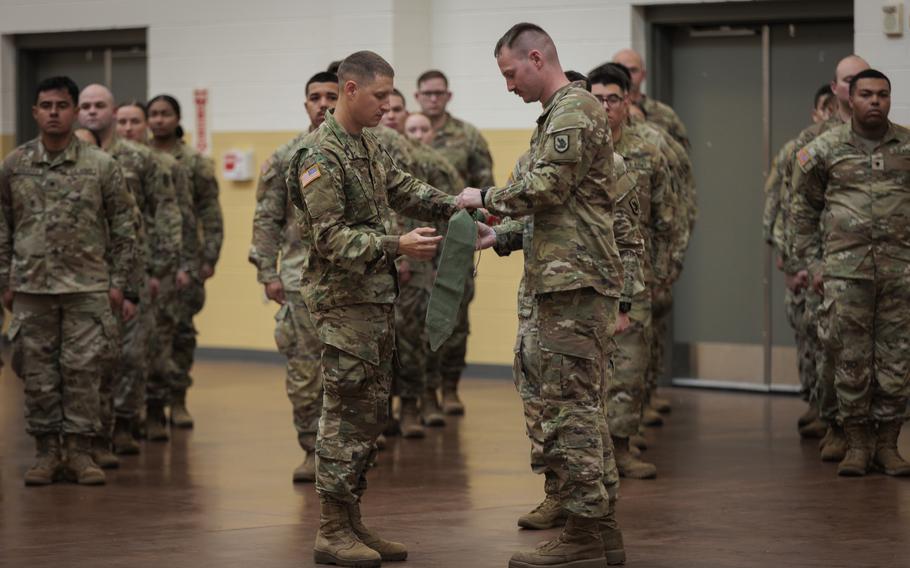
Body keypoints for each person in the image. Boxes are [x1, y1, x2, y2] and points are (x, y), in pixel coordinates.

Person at [287, 50, 486, 567]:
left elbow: (403, 187)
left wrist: (457, 204)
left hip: (375, 302)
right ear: (350, 90)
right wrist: (395, 245)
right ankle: (331, 528)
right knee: (344, 415)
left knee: (371, 415)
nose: (387, 105)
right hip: (343, 304)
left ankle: (352, 520)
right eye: (379, 96)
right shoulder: (319, 155)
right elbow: (329, 238)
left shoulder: (368, 144)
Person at [458, 23, 632, 568]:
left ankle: (584, 532)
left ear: (537, 57)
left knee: (571, 411)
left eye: (511, 73)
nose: (509, 86)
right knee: (575, 407)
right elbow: (561, 212)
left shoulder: (574, 111)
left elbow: (546, 189)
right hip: (562, 280)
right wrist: (501, 235)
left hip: (576, 287)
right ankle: (599, 528)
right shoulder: (557, 115)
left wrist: (483, 196)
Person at [0, 76, 137, 486]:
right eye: (46, 105)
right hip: (31, 288)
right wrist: (4, 279)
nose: (54, 113)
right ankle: (46, 453)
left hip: (87, 288)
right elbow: (2, 227)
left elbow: (125, 227)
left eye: (62, 105)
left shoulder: (101, 166)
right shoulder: (15, 164)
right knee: (38, 374)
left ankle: (79, 452)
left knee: (84, 372)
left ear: (75, 111)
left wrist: (119, 283)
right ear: (35, 112)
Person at [790, 69, 910, 478]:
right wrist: (814, 263)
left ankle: (888, 446)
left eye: (882, 95)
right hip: (845, 274)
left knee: (897, 361)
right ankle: (856, 443)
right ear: (850, 99)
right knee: (851, 361)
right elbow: (803, 210)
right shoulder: (824, 149)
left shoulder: (908, 146)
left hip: (899, 274)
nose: (875, 101)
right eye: (866, 95)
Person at [79, 84, 183, 461]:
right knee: (91, 356)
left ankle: (124, 423)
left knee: (131, 354)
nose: (92, 112)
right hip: (86, 273)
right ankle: (94, 430)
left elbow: (166, 215)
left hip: (136, 269)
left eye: (100, 105)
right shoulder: (76, 158)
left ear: (114, 110)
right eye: (86, 106)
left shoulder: (142, 160)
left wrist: (160, 269)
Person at [249, 71, 337, 482]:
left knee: (353, 373)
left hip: (352, 281)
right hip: (301, 280)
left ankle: (347, 453)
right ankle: (310, 450)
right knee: (305, 372)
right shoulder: (287, 156)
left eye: (331, 96)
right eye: (315, 97)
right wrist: (267, 271)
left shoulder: (369, 152)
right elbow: (266, 218)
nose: (323, 104)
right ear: (305, 105)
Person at [781, 55, 871, 453]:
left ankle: (871, 435)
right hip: (828, 263)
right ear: (836, 88)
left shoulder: (893, 140)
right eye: (848, 81)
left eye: (861, 81)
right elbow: (794, 205)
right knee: (828, 346)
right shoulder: (812, 142)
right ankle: (832, 420)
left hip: (877, 267)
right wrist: (799, 261)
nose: (855, 89)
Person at [590, 65, 675, 479]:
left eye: (612, 99)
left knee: (628, 368)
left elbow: (666, 218)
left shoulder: (650, 148)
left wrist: (662, 273)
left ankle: (622, 448)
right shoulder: (577, 146)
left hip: (633, 275)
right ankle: (594, 456)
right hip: (584, 273)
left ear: (628, 101)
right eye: (597, 99)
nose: (605, 107)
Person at [115, 100, 199, 444]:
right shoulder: (109, 163)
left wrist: (185, 263)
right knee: (125, 348)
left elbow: (184, 217)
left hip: (158, 264)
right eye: (122, 122)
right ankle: (125, 415)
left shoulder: (167, 165)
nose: (128, 128)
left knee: (162, 339)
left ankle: (158, 406)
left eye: (135, 121)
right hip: (123, 266)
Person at [382, 89, 464, 436]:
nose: (390, 115)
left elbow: (447, 200)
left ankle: (416, 402)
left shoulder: (422, 157)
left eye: (397, 109)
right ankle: (382, 411)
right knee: (381, 342)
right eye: (384, 108)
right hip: (372, 255)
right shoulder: (360, 149)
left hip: (416, 259)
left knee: (415, 336)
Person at [415, 68, 495, 415]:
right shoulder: (405, 135)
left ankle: (449, 387)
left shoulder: (468, 137)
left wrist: (477, 226)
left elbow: (486, 188)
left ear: (448, 96)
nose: (433, 99)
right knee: (417, 317)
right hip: (416, 240)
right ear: (417, 97)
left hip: (457, 240)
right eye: (426, 93)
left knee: (457, 317)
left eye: (438, 93)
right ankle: (425, 392)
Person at [147, 94, 224, 433]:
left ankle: (177, 400)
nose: (159, 120)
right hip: (149, 258)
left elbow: (210, 211)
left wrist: (210, 256)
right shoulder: (141, 157)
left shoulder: (194, 162)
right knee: (148, 335)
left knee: (180, 332)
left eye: (165, 114)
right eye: (154, 114)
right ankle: (149, 406)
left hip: (186, 258)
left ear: (178, 118)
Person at [612, 48, 690, 149]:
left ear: (643, 75)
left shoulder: (665, 114)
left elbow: (680, 157)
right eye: (621, 70)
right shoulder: (604, 112)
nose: (627, 76)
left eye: (633, 70)